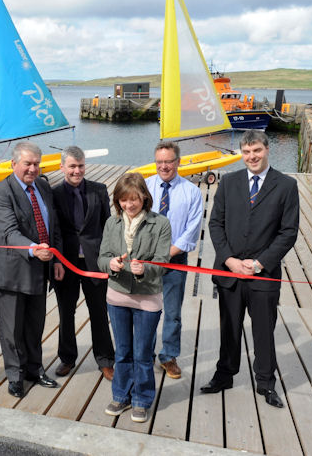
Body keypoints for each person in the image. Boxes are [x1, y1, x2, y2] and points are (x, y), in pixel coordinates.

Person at [201, 130, 299, 408]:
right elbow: (215, 224)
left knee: (264, 331)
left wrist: (260, 263)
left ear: (267, 150)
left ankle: (266, 383)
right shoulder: (229, 182)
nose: (251, 157)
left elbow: (288, 232)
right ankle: (225, 375)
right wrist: (230, 260)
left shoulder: (286, 186)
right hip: (231, 272)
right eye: (246, 152)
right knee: (229, 327)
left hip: (263, 274)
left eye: (256, 150)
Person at [0, 141, 65, 398]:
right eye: (27, 164)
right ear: (13, 164)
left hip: (40, 269)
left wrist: (55, 260)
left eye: (36, 164)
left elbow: (52, 225)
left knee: (35, 324)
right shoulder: (0, 191)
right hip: (12, 271)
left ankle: (34, 368)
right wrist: (34, 249)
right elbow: (8, 232)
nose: (32, 169)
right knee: (11, 329)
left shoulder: (42, 185)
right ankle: (15, 375)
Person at [98, 172, 171, 423]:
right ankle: (120, 395)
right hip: (117, 296)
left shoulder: (160, 223)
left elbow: (163, 262)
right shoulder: (111, 223)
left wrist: (146, 268)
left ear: (144, 198)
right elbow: (101, 257)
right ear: (118, 201)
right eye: (124, 200)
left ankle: (141, 399)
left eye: (134, 199)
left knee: (142, 353)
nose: (129, 205)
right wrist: (110, 264)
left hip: (148, 297)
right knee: (123, 352)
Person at [51, 146, 115, 380]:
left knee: (99, 311)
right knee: (66, 313)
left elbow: (108, 226)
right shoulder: (54, 194)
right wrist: (56, 260)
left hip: (94, 262)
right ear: (62, 167)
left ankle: (105, 359)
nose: (77, 171)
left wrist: (108, 259)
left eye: (80, 166)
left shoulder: (99, 190)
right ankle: (67, 358)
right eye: (72, 167)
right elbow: (53, 230)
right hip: (65, 262)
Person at [145, 142, 203, 379]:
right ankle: (145, 353)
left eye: (168, 161)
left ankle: (168, 356)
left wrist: (168, 253)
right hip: (147, 260)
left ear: (178, 162)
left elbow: (192, 229)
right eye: (159, 162)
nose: (164, 166)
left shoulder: (192, 192)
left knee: (172, 312)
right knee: (146, 311)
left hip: (175, 259)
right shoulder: (146, 186)